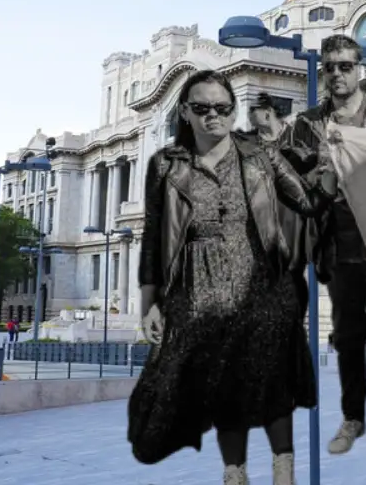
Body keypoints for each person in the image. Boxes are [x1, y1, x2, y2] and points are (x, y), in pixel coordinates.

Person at [134, 69, 333, 485]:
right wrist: (149, 300)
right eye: (202, 108)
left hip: (263, 280)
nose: (214, 116)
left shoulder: (261, 154)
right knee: (222, 382)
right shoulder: (166, 165)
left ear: (232, 110)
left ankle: (284, 473)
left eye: (223, 108)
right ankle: (235, 474)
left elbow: (308, 202)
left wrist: (333, 163)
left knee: (273, 377)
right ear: (185, 112)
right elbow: (154, 237)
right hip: (199, 285)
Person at [279, 34, 366, 457]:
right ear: (323, 72)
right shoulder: (307, 125)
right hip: (337, 240)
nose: (337, 74)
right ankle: (352, 418)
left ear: (360, 69)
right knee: (346, 334)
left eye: (346, 66)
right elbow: (288, 184)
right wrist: (320, 172)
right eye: (330, 67)